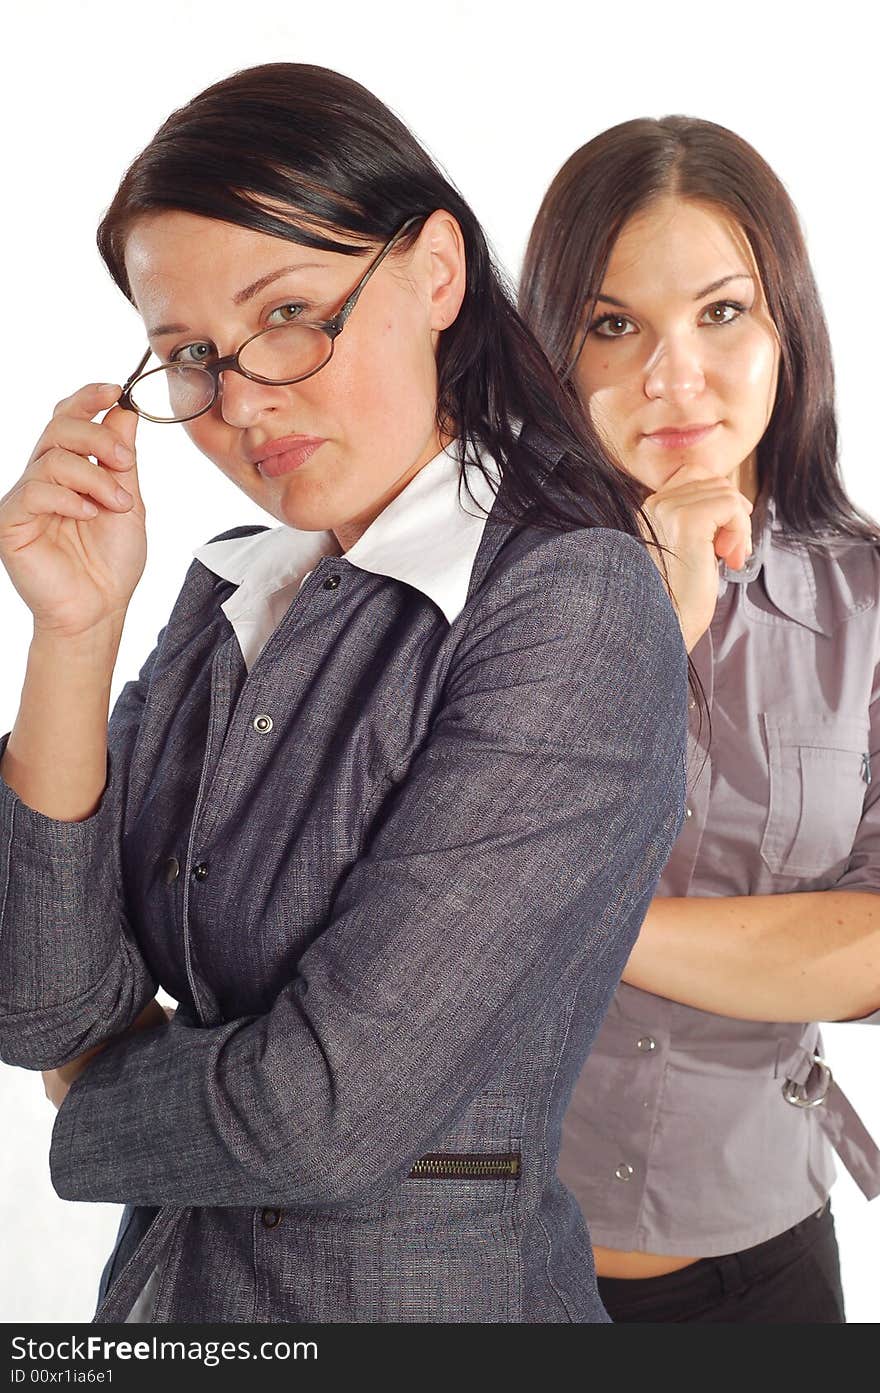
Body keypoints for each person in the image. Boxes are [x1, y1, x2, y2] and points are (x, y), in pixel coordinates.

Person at [0, 66, 687, 1324]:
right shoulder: (232, 594)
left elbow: (321, 1117)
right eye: (190, 355)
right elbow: (41, 1002)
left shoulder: (566, 607)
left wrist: (97, 1090)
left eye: (291, 314)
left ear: (435, 272)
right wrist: (71, 636)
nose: (247, 398)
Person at [519, 115, 880, 1324]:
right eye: (614, 324)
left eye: (722, 314)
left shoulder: (872, 602)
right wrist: (656, 614)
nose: (675, 378)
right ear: (555, 352)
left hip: (765, 1258)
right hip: (486, 1250)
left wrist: (554, 914)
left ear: (788, 329)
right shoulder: (476, 593)